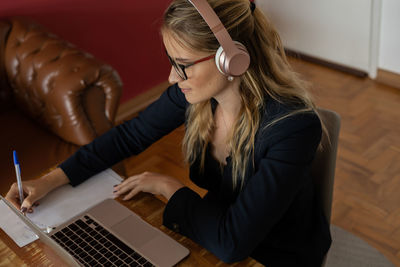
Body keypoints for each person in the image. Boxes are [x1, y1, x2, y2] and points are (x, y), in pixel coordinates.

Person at [6, 0, 332, 265]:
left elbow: (233, 245)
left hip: (274, 255)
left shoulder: (292, 127)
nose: (173, 78)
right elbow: (128, 137)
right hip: (216, 229)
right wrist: (50, 180)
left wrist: (167, 185)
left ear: (231, 59)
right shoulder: (195, 97)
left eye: (184, 64)